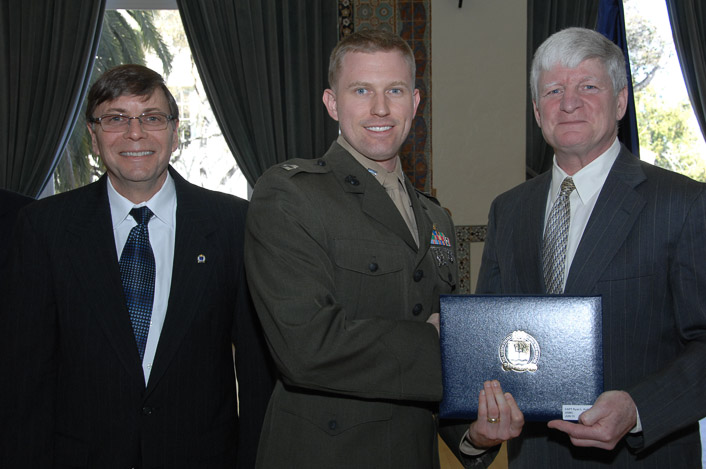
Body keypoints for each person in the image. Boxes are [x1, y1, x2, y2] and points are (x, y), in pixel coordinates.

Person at [244, 29, 522, 469]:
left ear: (414, 104)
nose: (379, 108)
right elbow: (305, 348)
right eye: (361, 90)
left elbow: (435, 378)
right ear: (332, 103)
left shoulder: (436, 218)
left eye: (394, 90)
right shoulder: (289, 194)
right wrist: (442, 340)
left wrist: (472, 438)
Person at [0, 64, 274, 468]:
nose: (135, 133)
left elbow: (256, 375)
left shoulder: (234, 224)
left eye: (152, 118)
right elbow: (24, 378)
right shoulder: (44, 228)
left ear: (175, 132)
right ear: (93, 137)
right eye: (115, 119)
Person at [476, 27, 706, 467]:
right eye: (554, 90)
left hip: (641, 456)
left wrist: (638, 409)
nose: (568, 102)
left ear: (620, 101)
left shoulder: (683, 203)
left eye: (588, 86)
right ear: (537, 111)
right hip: (535, 458)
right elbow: (493, 333)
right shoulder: (508, 210)